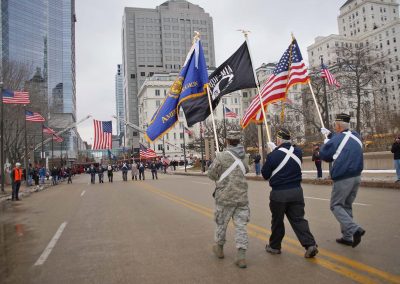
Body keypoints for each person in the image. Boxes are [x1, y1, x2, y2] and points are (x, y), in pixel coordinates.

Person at [261, 128, 318, 259]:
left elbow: (265, 174)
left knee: (277, 221)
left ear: (278, 140)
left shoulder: (273, 155)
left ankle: (275, 247)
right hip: (297, 191)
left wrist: (273, 152)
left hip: (279, 193)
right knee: (299, 219)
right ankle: (310, 244)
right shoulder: (297, 152)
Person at [320, 113, 365, 248]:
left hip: (343, 177)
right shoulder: (356, 136)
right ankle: (347, 237)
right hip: (356, 176)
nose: (334, 127)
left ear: (338, 126)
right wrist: (330, 136)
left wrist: (327, 142)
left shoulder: (337, 139)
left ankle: (354, 229)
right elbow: (344, 142)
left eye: (335, 126)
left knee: (336, 206)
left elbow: (325, 156)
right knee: (346, 206)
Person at [207, 130, 250, 269]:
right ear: (239, 140)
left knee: (221, 224)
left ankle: (219, 248)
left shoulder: (222, 156)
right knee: (241, 226)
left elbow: (211, 175)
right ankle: (241, 256)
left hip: (224, 198)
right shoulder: (244, 156)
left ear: (227, 141)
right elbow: (246, 170)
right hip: (242, 198)